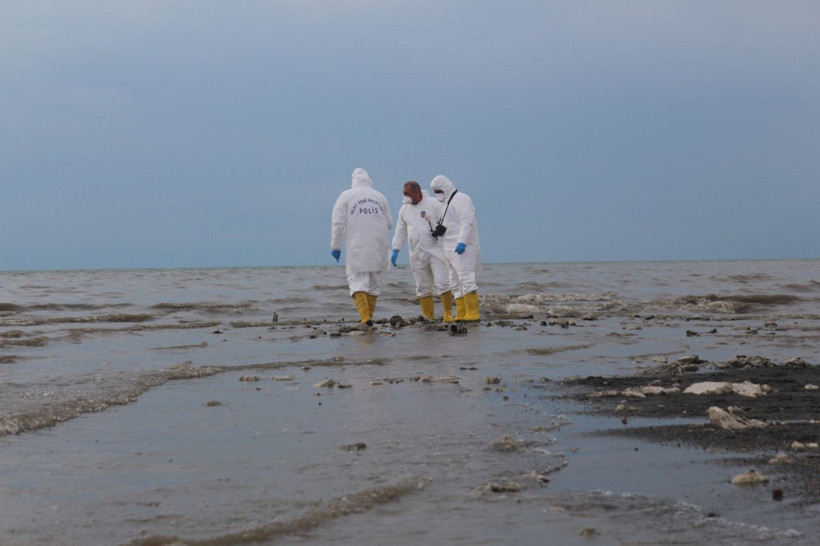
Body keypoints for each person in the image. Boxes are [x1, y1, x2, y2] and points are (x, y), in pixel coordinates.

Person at [331, 168, 393, 328]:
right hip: (379, 246)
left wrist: (336, 246)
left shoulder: (345, 196)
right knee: (373, 283)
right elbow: (389, 223)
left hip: (357, 247)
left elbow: (337, 224)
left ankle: (365, 319)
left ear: (353, 180)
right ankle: (368, 318)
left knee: (357, 281)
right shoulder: (380, 196)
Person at [391, 181, 454, 322]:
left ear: (416, 193)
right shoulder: (404, 209)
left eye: (406, 193)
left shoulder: (434, 204)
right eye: (403, 193)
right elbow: (400, 230)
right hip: (416, 253)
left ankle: (448, 315)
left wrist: (442, 229)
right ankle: (428, 316)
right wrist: (396, 248)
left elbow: (448, 220)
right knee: (422, 287)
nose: (404, 196)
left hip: (436, 251)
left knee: (443, 283)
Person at [430, 174, 481, 321]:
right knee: (454, 280)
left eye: (438, 190)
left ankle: (473, 313)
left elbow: (467, 221)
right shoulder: (446, 203)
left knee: (466, 278)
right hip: (448, 247)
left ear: (445, 187)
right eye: (434, 191)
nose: (437, 194)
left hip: (463, 247)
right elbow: (450, 224)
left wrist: (462, 241)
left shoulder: (461, 199)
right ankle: (461, 312)